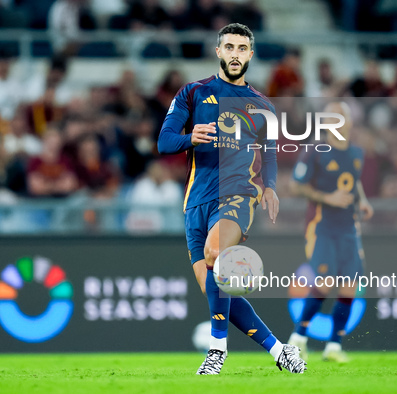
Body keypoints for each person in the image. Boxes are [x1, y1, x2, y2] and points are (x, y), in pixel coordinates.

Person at [157, 23, 306, 375]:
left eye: (242, 48)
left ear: (250, 55)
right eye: (230, 47)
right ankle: (280, 351)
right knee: (219, 290)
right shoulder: (192, 94)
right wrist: (190, 137)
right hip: (196, 203)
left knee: (215, 254)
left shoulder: (261, 105)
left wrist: (269, 186)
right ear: (219, 52)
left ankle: (216, 349)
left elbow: (269, 155)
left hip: (238, 195)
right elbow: (164, 142)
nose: (236, 54)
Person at [288, 102, 374, 363]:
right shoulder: (314, 152)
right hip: (322, 227)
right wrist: (328, 197)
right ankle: (298, 339)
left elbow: (354, 180)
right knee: (324, 283)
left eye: (342, 116)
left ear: (349, 122)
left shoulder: (357, 153)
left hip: (349, 228)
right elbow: (295, 186)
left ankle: (334, 346)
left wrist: (363, 200)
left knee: (349, 287)